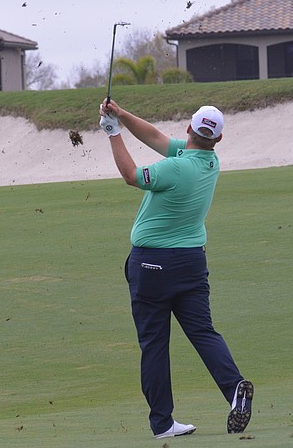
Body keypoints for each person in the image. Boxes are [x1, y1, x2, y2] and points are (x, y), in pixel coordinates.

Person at [99, 99, 254, 440]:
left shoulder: (175, 168)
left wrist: (113, 133)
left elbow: (130, 176)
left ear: (189, 128)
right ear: (219, 139)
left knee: (155, 344)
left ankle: (163, 423)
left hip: (152, 265)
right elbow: (154, 136)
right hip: (191, 264)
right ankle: (233, 390)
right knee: (203, 332)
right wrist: (122, 115)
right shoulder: (209, 161)